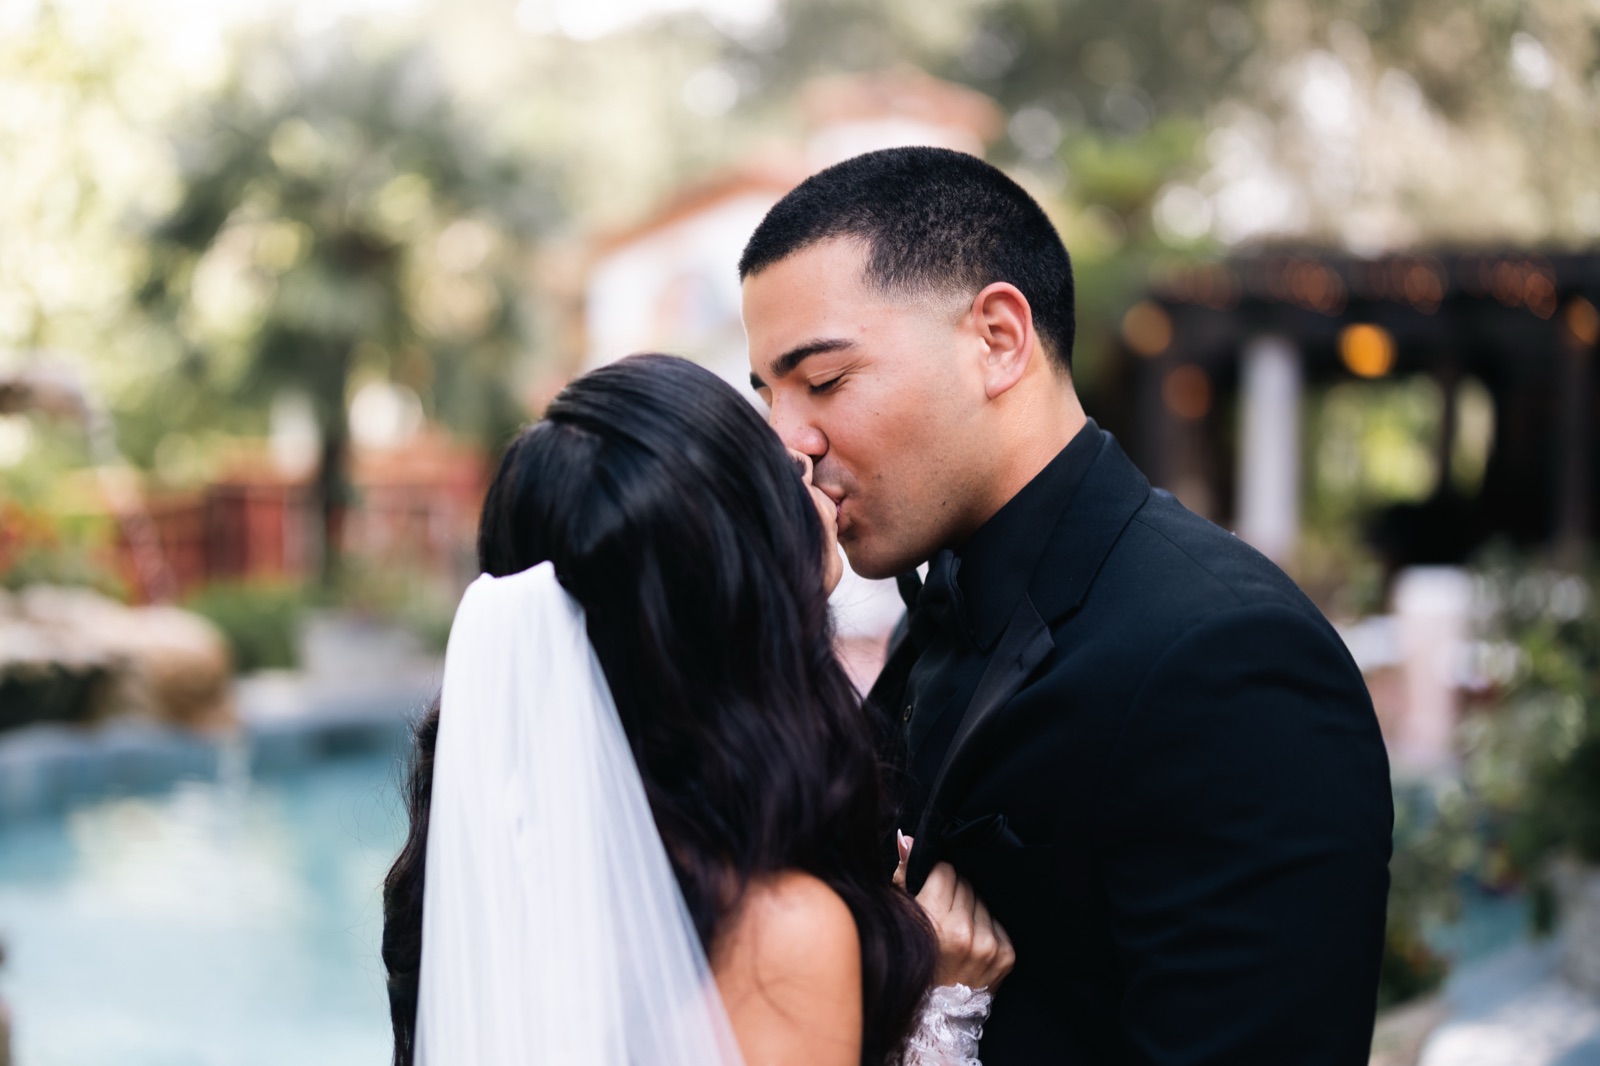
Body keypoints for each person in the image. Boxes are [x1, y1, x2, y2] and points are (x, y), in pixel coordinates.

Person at [740, 146, 1394, 1064]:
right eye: (767, 396)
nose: (790, 443)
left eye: (825, 382)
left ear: (998, 339)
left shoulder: (1229, 657)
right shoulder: (929, 611)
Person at [381, 353, 1014, 1066]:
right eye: (760, 464)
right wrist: (945, 1023)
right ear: (730, 577)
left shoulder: (486, 884)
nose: (802, 460)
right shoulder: (775, 937)